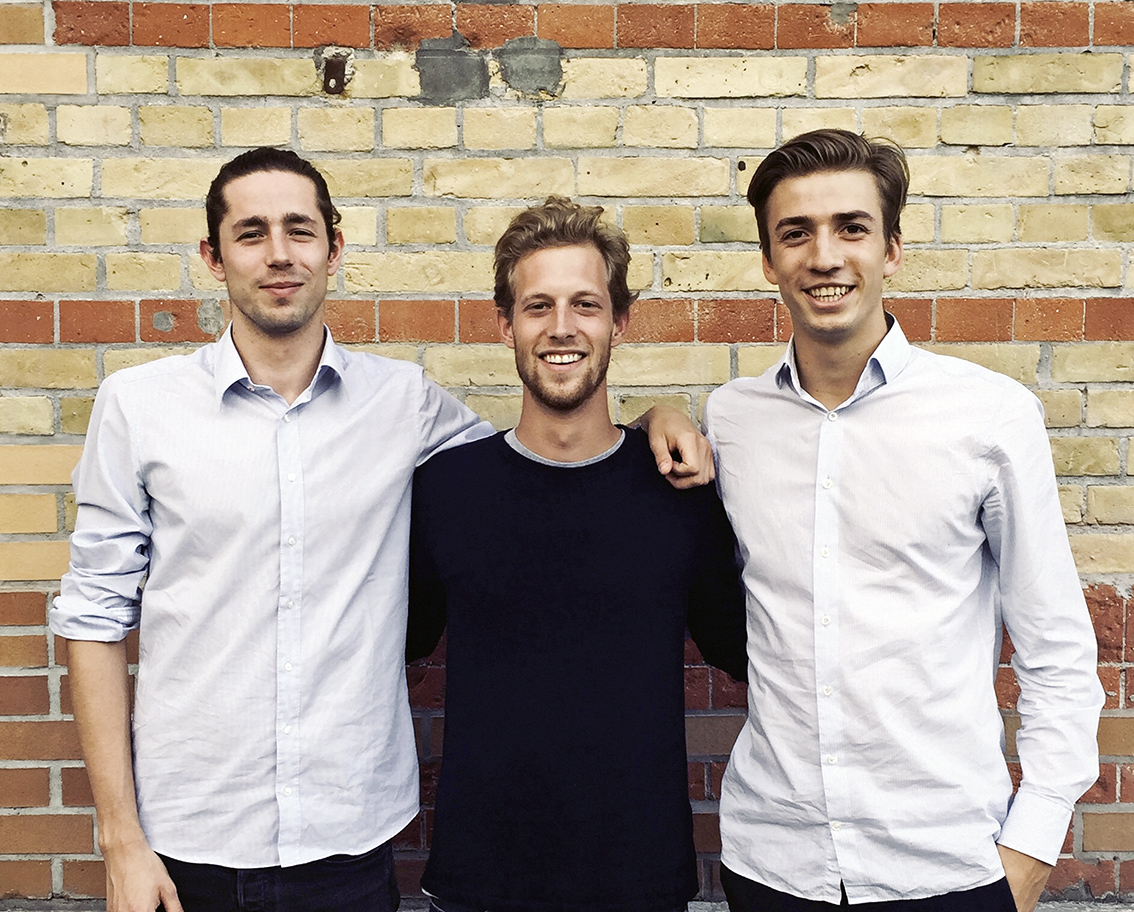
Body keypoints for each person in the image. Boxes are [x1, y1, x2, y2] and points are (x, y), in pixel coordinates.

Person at [49, 148, 711, 912]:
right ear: (212, 255)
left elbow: (552, 446)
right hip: (187, 842)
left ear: (334, 248)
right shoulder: (139, 406)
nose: (278, 254)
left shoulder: (403, 402)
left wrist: (655, 421)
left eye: (300, 230)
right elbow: (94, 616)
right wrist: (120, 840)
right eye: (251, 233)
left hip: (349, 844)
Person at [703, 129, 1104, 912]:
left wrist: (1032, 846)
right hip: (774, 864)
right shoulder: (732, 420)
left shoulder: (988, 416)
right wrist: (655, 418)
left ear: (891, 249)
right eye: (796, 233)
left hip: (944, 866)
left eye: (851, 228)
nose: (824, 256)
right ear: (769, 260)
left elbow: (1055, 646)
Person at [406, 197, 749, 912]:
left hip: (640, 882)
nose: (561, 327)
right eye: (538, 306)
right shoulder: (445, 490)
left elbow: (751, 652)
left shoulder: (679, 491)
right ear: (505, 324)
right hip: (479, 883)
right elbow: (385, 649)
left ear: (619, 322)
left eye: (586, 304)